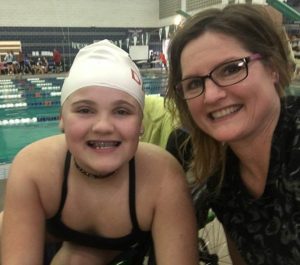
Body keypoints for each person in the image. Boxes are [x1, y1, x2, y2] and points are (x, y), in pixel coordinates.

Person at [1, 40, 199, 265]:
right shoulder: (33, 168)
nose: (103, 126)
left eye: (122, 111)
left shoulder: (163, 177)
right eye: (85, 110)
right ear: (62, 119)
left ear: (141, 124)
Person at [165, 4, 300, 265]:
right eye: (194, 83)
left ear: (273, 67)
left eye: (231, 69)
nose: (212, 95)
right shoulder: (221, 178)